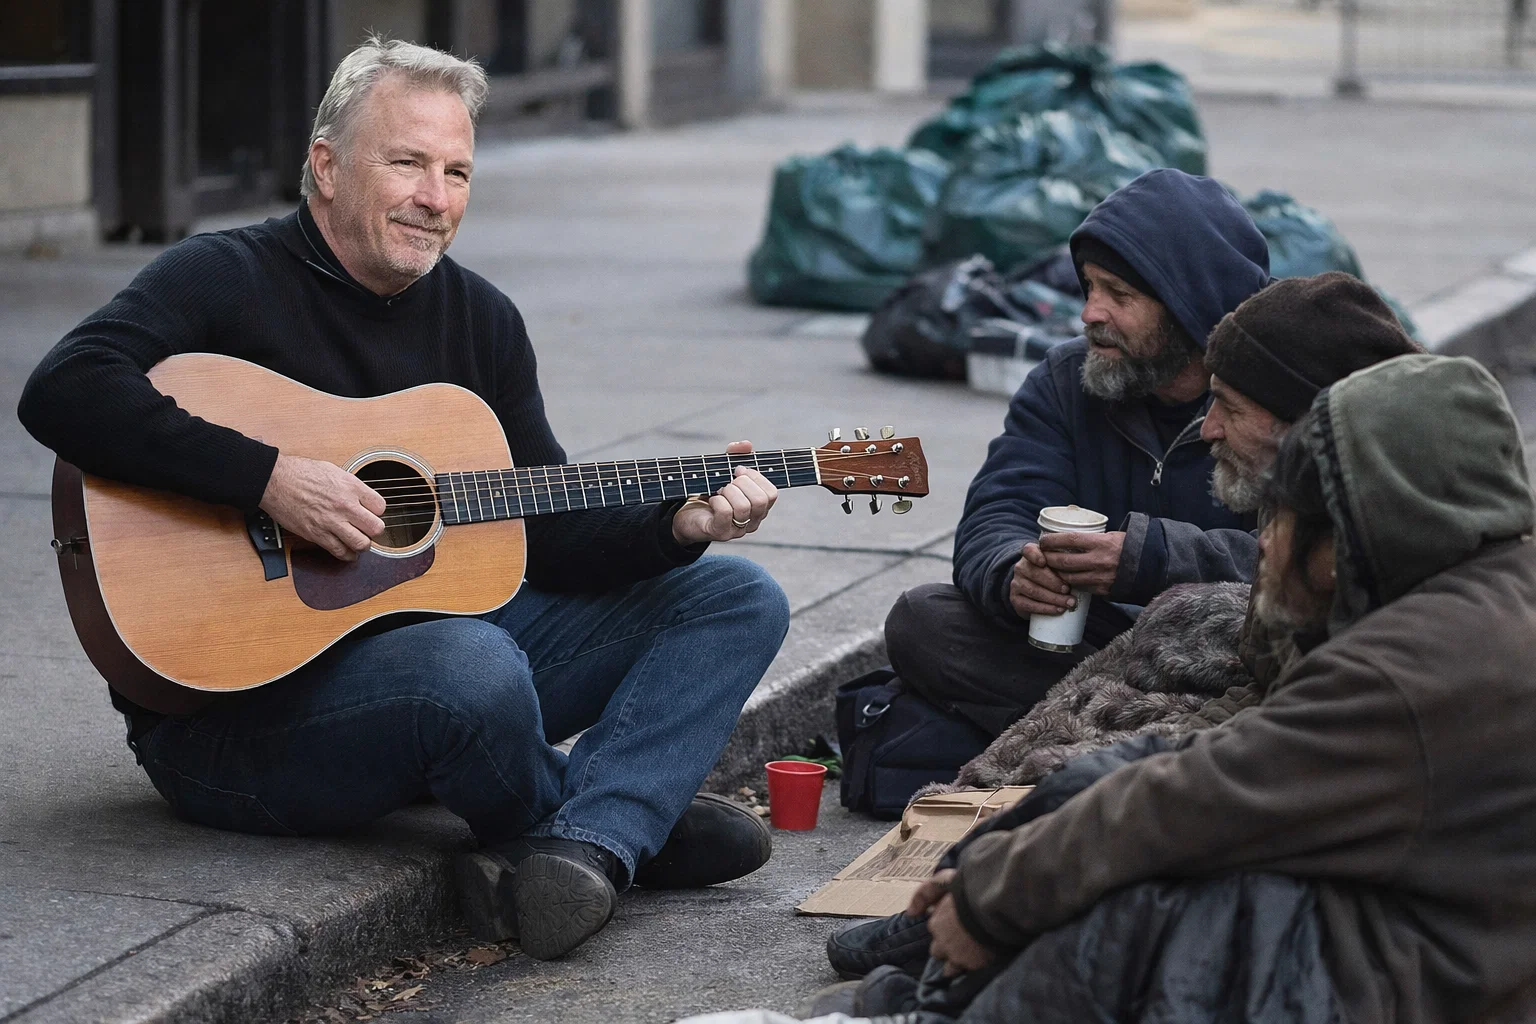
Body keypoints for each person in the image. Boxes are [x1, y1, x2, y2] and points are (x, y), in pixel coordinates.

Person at [17, 37, 791, 962]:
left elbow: (544, 531)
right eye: (409, 162)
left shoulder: (482, 320)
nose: (436, 197)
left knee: (738, 596)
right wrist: (267, 477)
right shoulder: (224, 276)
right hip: (231, 727)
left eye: (458, 171)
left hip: (431, 673)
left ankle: (590, 844)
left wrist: (677, 524)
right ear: (327, 164)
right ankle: (616, 822)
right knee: (474, 664)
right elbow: (64, 386)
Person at [770, 353, 1536, 1024]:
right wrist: (1014, 572)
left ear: (1350, 537)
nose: (1262, 541)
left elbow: (1198, 800)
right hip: (1447, 939)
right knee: (1110, 789)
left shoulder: (1411, 668)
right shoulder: (1487, 594)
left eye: (1279, 520)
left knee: (1166, 898)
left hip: (1444, 981)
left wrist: (987, 899)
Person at [883, 169, 1271, 739]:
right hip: (1097, 648)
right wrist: (1014, 573)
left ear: (1189, 307)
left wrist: (1150, 558)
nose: (1091, 312)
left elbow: (1311, 562)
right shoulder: (1067, 379)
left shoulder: (1278, 393)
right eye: (1089, 287)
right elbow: (1000, 508)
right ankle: (1143, 734)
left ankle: (1099, 734)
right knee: (923, 621)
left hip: (1229, 646)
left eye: (1119, 294)